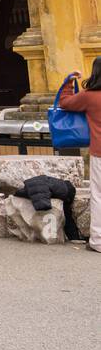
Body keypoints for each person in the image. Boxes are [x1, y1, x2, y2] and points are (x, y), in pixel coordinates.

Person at [59, 55, 101, 253]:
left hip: (100, 154)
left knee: (99, 196)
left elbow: (65, 103)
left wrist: (69, 81)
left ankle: (99, 240)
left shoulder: (89, 96)